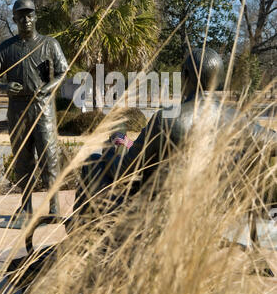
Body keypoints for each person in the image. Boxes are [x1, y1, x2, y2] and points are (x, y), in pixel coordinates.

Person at [72, 48, 277, 220]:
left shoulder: (167, 119)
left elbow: (124, 171)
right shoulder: (241, 121)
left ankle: (79, 250)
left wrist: (115, 145)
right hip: (218, 213)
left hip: (161, 216)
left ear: (185, 76)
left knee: (93, 163)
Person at [0, 0, 68, 225]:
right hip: (18, 109)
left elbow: (63, 71)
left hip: (44, 110)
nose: (26, 19)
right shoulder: (7, 48)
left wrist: (48, 88)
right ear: (14, 20)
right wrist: (4, 87)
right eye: (21, 16)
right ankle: (26, 207)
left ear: (36, 17)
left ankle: (54, 208)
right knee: (22, 159)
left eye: (30, 15)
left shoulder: (49, 44)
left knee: (49, 157)